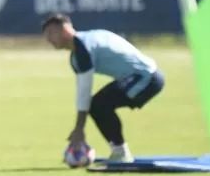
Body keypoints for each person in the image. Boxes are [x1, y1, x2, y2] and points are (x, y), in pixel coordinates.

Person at [41, 12, 164, 162]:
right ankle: (119, 151)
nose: (48, 39)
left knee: (98, 104)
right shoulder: (82, 47)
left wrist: (79, 128)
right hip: (142, 76)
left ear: (65, 30)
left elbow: (84, 91)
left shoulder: (83, 47)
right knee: (98, 104)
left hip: (146, 78)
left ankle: (121, 152)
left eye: (51, 33)